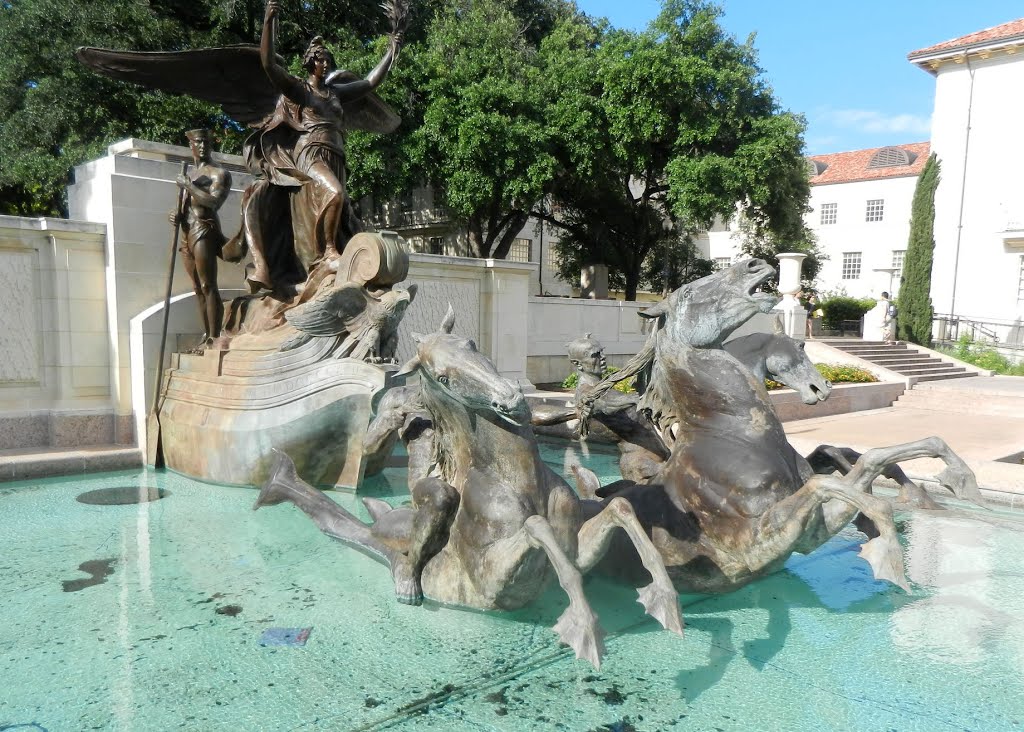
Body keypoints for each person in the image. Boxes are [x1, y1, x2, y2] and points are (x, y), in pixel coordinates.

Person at [234, 0, 404, 293]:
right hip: (311, 152)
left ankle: (333, 249)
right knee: (335, 193)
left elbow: (369, 82)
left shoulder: (335, 91)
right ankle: (327, 251)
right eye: (320, 59)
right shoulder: (300, 90)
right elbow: (268, 64)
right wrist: (269, 21)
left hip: (336, 153)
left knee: (341, 209)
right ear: (310, 61)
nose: (325, 63)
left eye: (327, 59)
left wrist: (392, 49)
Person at [170, 129, 232, 343]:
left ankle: (214, 336)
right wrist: (176, 216)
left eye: (207, 142)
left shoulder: (219, 174)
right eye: (199, 142)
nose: (203, 146)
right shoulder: (191, 173)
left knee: (208, 285)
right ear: (191, 146)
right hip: (186, 232)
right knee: (197, 287)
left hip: (204, 230)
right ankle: (207, 334)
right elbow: (186, 206)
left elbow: (214, 202)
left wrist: (188, 185)